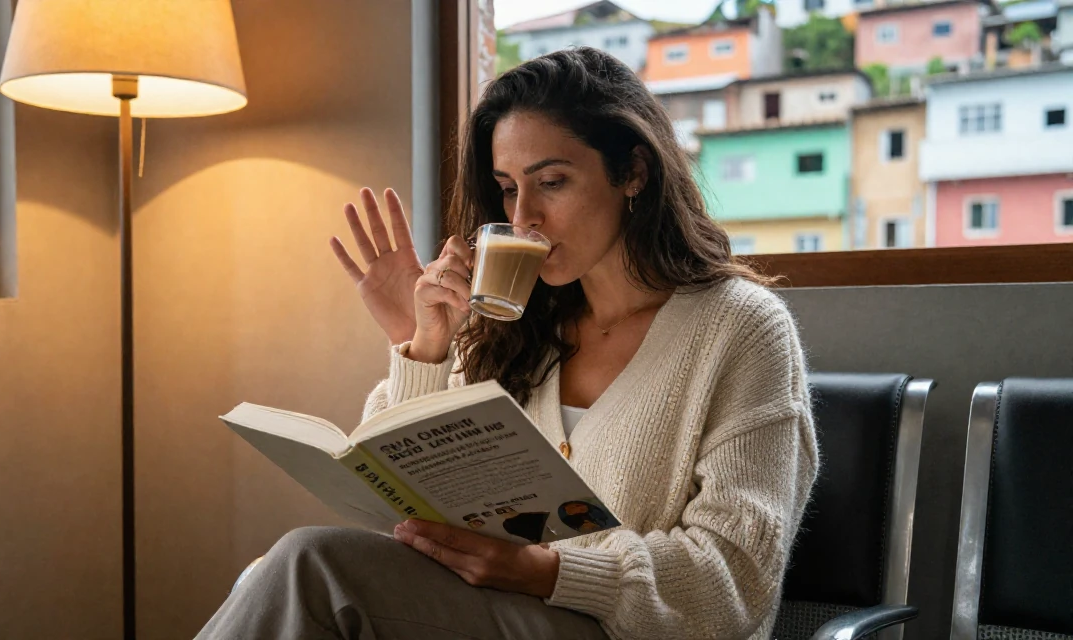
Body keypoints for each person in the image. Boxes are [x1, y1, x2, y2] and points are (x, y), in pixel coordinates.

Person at [197, 47, 818, 640]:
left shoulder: (740, 329)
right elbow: (398, 502)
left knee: (311, 568)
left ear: (632, 172)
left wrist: (546, 572)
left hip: (625, 634)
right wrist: (423, 346)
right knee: (274, 575)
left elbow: (735, 578)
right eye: (509, 187)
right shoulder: (513, 323)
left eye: (551, 182)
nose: (524, 220)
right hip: (487, 615)